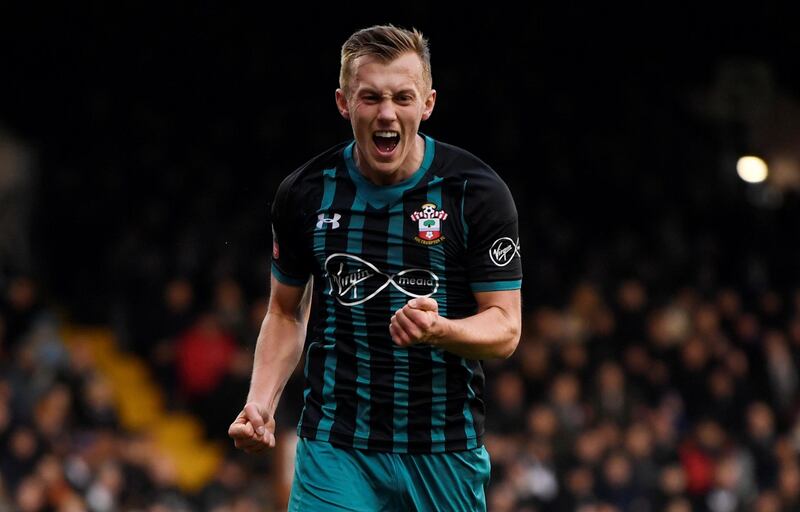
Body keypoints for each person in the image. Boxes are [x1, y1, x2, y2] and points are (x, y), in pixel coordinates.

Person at [229, 24, 522, 511]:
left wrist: (439, 330)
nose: (387, 113)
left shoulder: (477, 193)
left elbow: (506, 329)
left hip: (443, 447)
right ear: (344, 102)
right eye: (371, 98)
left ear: (426, 104)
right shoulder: (305, 193)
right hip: (336, 445)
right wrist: (260, 403)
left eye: (403, 97)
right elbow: (285, 312)